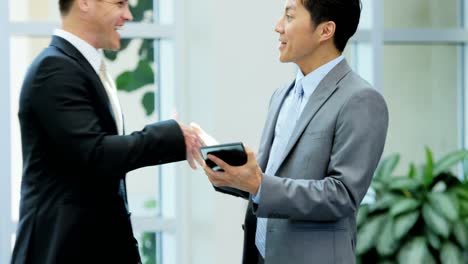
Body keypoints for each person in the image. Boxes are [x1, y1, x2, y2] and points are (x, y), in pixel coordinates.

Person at [11, 0, 202, 263]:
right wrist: (170, 136)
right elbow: (96, 153)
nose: (128, 15)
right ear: (85, 3)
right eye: (120, 3)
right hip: (63, 250)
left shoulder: (77, 66)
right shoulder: (55, 69)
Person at [201, 0, 389, 263]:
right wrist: (231, 174)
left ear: (325, 31)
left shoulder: (361, 100)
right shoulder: (282, 95)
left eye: (289, 17)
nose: (278, 27)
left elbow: (342, 195)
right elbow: (268, 181)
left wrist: (259, 184)